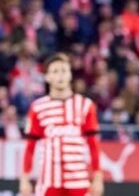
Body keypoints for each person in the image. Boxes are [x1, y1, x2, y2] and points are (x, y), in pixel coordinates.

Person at [20, 53, 103, 196]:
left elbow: (93, 144)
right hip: (49, 181)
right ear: (47, 77)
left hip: (78, 180)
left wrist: (97, 177)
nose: (60, 76)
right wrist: (24, 178)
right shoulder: (37, 108)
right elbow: (30, 147)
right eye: (55, 71)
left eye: (64, 71)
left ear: (70, 75)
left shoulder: (85, 105)